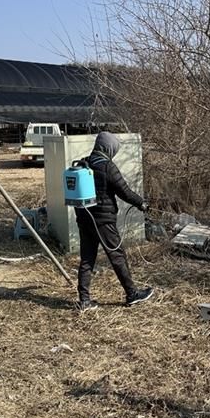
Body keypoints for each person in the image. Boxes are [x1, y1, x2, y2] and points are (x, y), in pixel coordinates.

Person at [75, 132, 154, 311]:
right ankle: (132, 294)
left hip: (84, 219)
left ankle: (84, 300)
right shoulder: (107, 166)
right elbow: (124, 192)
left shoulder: (83, 163)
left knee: (87, 258)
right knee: (117, 256)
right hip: (103, 221)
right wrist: (141, 203)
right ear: (108, 148)